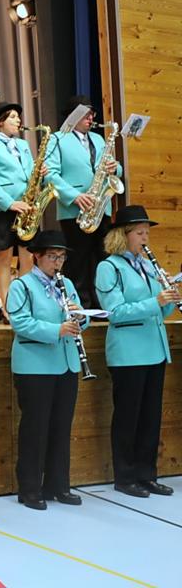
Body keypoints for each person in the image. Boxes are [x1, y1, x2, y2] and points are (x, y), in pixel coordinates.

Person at [95, 205, 176, 499]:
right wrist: (156, 301)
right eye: (140, 233)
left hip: (154, 349)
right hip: (128, 352)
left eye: (146, 232)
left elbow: (160, 310)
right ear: (123, 235)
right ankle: (125, 476)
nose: (145, 238)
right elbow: (115, 312)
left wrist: (170, 297)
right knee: (128, 416)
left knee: (151, 417)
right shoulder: (109, 267)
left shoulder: (149, 265)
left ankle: (147, 474)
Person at [5, 230, 86, 510]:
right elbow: (20, 323)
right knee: (35, 428)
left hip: (65, 364)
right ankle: (30, 489)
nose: (57, 262)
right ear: (36, 256)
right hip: (34, 366)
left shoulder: (67, 284)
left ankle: (58, 485)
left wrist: (79, 318)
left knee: (61, 427)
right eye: (52, 256)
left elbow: (81, 321)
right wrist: (57, 329)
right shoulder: (22, 286)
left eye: (61, 256)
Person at [46, 95, 123, 309]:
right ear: (74, 116)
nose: (91, 119)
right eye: (86, 115)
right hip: (74, 209)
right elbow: (50, 175)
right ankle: (80, 306)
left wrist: (115, 168)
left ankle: (104, 304)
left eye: (92, 115)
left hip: (101, 207)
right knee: (77, 261)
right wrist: (75, 196)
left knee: (103, 258)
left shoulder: (99, 140)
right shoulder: (57, 139)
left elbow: (116, 169)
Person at [0, 102, 45, 314]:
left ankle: (23, 304)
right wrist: (9, 203)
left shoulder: (23, 146)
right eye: (13, 117)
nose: (18, 121)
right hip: (3, 209)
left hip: (27, 208)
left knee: (28, 258)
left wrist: (39, 176)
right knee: (4, 259)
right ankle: (7, 307)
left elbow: (29, 175)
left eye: (18, 117)